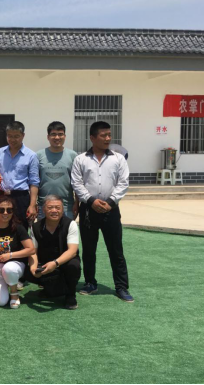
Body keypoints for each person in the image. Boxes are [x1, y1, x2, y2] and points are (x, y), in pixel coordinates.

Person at [71, 121, 133, 302]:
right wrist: (91, 201)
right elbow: (77, 183)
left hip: (111, 210)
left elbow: (123, 183)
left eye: (109, 135)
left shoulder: (118, 159)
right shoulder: (80, 159)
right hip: (88, 211)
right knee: (89, 250)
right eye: (103, 135)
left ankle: (121, 287)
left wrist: (111, 202)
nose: (108, 138)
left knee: (116, 250)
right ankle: (90, 283)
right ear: (92, 137)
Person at [23, 195, 82, 310]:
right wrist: (33, 268)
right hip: (45, 263)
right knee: (25, 270)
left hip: (63, 263)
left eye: (58, 207)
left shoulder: (71, 224)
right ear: (43, 210)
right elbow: (33, 252)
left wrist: (55, 263)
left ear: (62, 209)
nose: (54, 210)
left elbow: (72, 251)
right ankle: (49, 288)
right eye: (50, 207)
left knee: (73, 265)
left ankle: (70, 295)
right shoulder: (35, 227)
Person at [0, 195, 36, 309]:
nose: (5, 213)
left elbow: (31, 249)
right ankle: (5, 284)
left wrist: (10, 255)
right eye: (1, 210)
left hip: (15, 265)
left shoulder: (18, 228)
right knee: (0, 302)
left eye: (9, 210)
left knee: (9, 269)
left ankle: (14, 293)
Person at [0, 122, 40, 230]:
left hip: (21, 198)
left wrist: (32, 205)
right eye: (10, 136)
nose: (12, 139)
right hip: (2, 196)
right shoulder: (0, 152)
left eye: (16, 136)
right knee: (1, 227)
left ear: (23, 135)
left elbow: (34, 182)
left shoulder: (31, 155)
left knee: (21, 228)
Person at [37, 121, 79, 220]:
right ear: (48, 137)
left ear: (65, 136)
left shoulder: (73, 155)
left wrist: (77, 202)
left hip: (66, 206)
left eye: (60, 134)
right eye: (53, 134)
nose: (57, 137)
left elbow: (77, 182)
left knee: (66, 230)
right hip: (44, 206)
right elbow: (34, 182)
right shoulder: (39, 155)